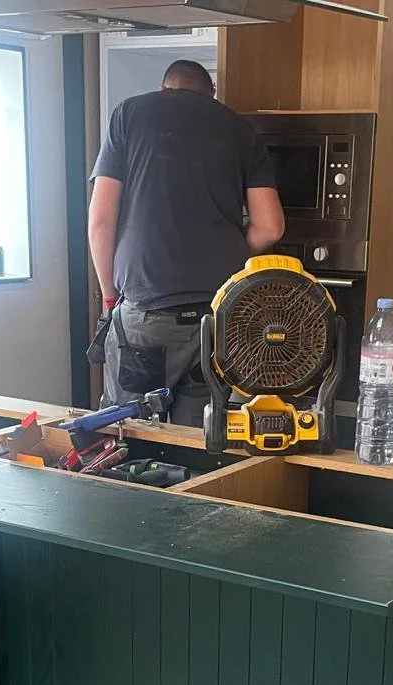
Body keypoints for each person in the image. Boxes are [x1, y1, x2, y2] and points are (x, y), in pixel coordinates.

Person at [88, 59, 285, 425]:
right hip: (217, 317)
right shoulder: (240, 128)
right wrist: (228, 257)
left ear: (165, 88)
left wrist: (110, 298)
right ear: (211, 93)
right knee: (199, 436)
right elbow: (270, 227)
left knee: (130, 433)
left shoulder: (129, 114)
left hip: (147, 313)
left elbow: (101, 222)